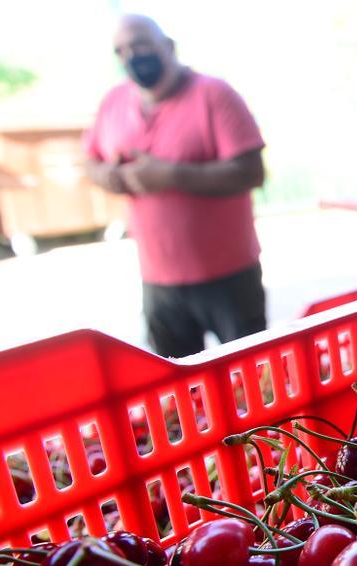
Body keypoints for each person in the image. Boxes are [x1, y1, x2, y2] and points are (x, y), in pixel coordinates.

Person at [84, 14, 267, 358]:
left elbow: (251, 172)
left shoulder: (214, 94)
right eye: (121, 50)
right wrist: (109, 176)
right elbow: (90, 160)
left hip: (229, 275)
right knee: (176, 391)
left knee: (251, 377)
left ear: (167, 46)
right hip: (158, 280)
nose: (131, 56)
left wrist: (173, 176)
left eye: (139, 45)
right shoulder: (114, 103)